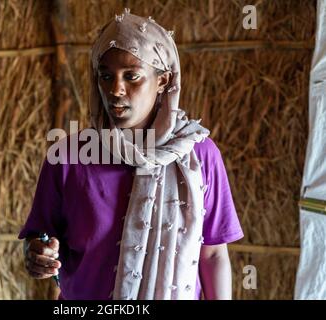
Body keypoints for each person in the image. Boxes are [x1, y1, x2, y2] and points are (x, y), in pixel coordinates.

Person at [19, 9, 243, 300]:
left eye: (132, 76)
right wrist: (37, 254)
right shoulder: (68, 157)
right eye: (106, 76)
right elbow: (39, 236)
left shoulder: (199, 155)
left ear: (163, 80)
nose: (116, 89)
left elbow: (212, 255)